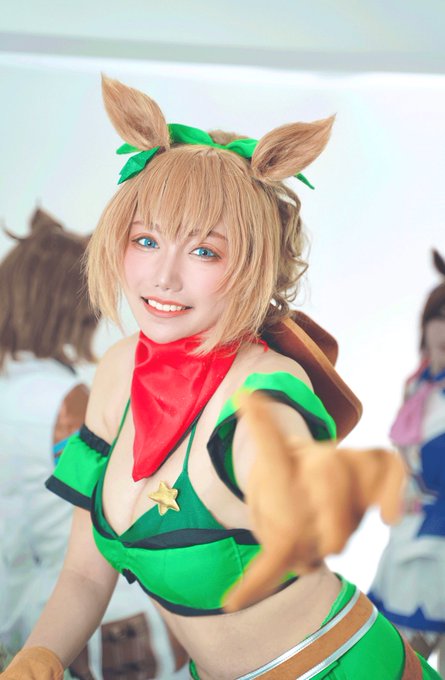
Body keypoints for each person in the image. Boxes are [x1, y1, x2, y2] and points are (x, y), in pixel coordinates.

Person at [1, 77, 440, 680]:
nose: (163, 276)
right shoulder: (117, 372)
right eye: (146, 240)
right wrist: (41, 655)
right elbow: (83, 571)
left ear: (255, 264)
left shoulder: (266, 392)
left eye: (205, 251)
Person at [0, 208, 187, 679]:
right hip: (106, 624)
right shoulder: (68, 402)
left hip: (25, 619)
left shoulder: (13, 389)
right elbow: (127, 510)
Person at [369, 249, 445, 678]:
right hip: (410, 540)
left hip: (439, 540)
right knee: (396, 663)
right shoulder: (418, 388)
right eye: (441, 317)